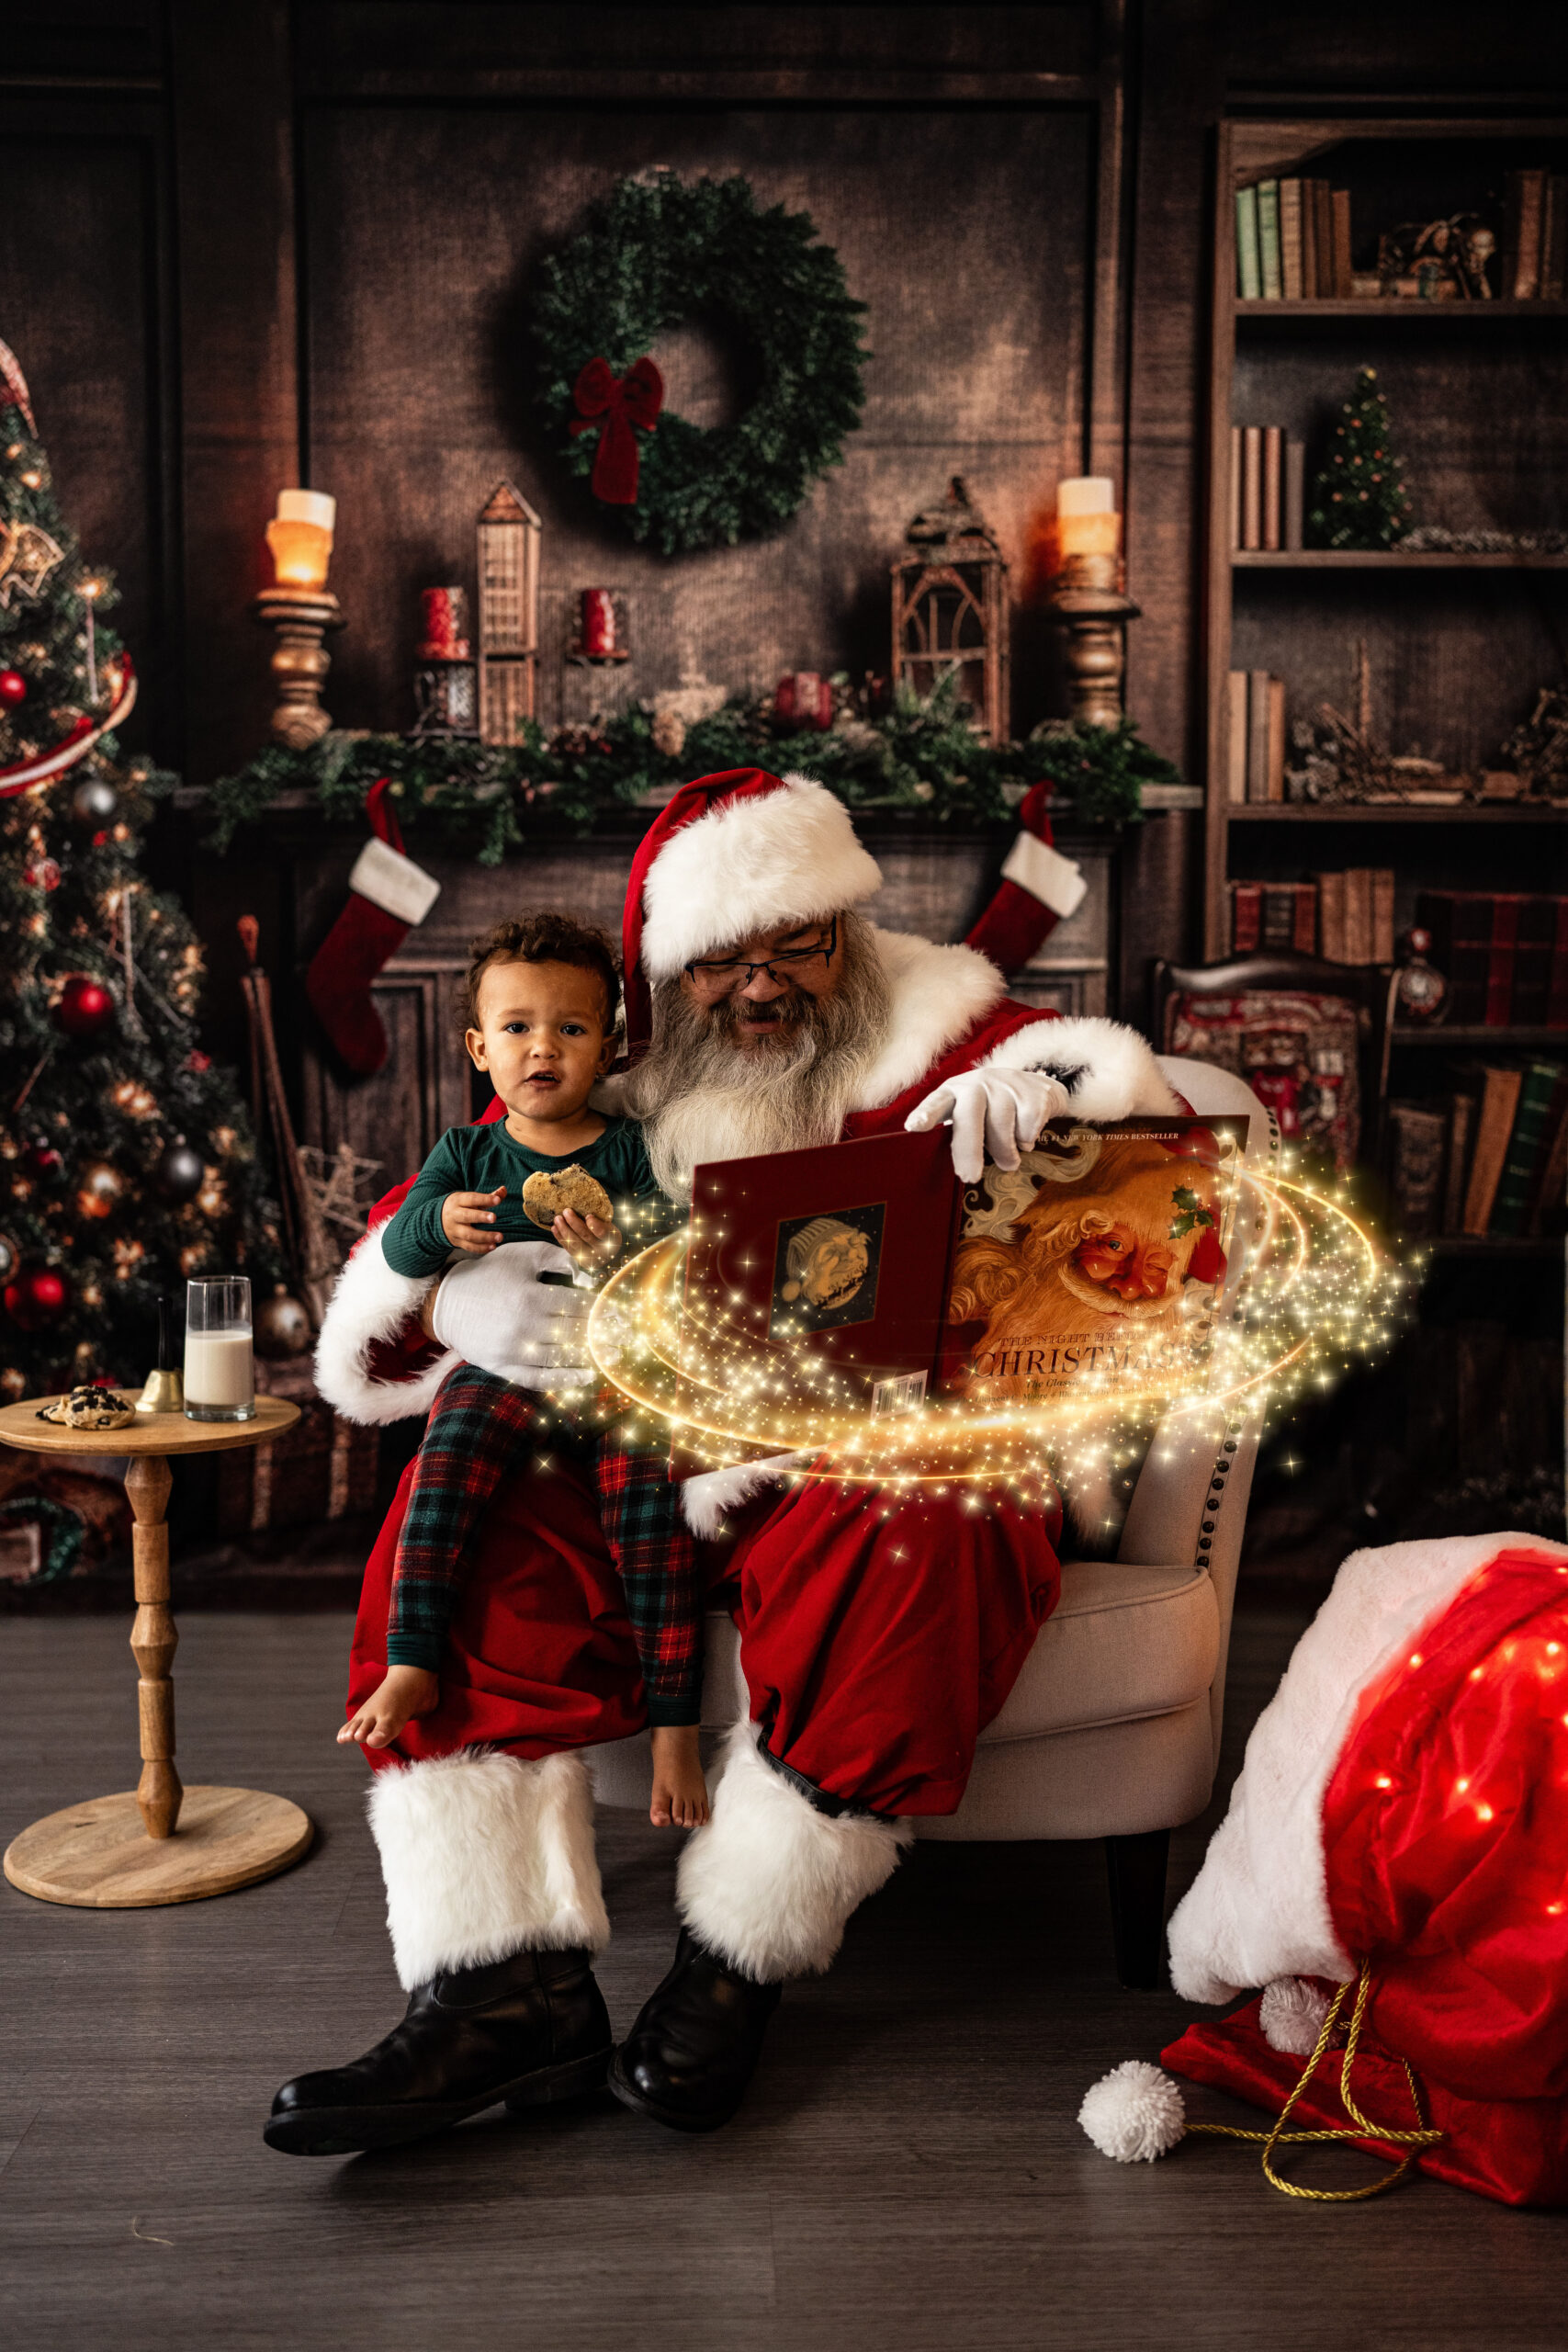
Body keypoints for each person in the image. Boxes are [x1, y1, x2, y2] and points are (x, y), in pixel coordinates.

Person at [271, 766, 1180, 2158]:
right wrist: (453, 1294)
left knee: (931, 1518)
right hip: (654, 1462)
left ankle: (740, 1955)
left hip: (865, 1457)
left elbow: (1164, 1210)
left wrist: (1068, 1118)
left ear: (848, 929)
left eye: (793, 945)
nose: (759, 989)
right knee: (468, 1494)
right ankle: (503, 1990)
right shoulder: (613, 1073)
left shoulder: (956, 1033)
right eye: (715, 962)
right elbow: (407, 1231)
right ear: (657, 974)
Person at [338, 910, 707, 1834]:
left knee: (652, 1512)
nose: (543, 1048)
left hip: (606, 1373)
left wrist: (616, 1241)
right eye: (517, 1028)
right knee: (446, 1465)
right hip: (500, 1370)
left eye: (571, 1028)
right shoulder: (468, 1152)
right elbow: (405, 1240)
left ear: (609, 1046)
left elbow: (672, 1254)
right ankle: (414, 1654)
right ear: (478, 1046)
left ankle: (674, 1721)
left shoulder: (626, 1149)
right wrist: (441, 1227)